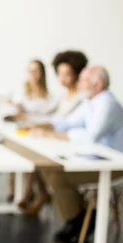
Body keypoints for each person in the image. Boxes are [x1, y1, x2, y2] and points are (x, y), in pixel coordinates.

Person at [31, 66, 123, 243]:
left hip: (117, 167)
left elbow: (90, 136)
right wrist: (43, 125)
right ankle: (81, 216)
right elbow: (68, 123)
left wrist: (52, 134)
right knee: (48, 168)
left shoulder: (107, 104)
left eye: (84, 80)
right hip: (97, 160)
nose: (78, 83)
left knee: (57, 174)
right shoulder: (90, 102)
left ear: (98, 84)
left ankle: (78, 219)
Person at [17, 50, 90, 215]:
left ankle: (42, 197)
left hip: (72, 145)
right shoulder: (65, 96)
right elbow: (53, 116)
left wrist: (42, 127)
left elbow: (63, 123)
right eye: (60, 73)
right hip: (60, 139)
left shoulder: (82, 98)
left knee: (43, 162)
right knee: (34, 155)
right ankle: (39, 195)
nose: (62, 78)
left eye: (67, 74)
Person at [0, 59, 57, 200]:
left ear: (42, 73)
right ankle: (12, 190)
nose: (33, 74)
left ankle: (25, 195)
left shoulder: (49, 96)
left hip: (36, 133)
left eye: (36, 70)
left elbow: (49, 117)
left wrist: (28, 116)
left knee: (32, 161)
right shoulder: (20, 91)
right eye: (30, 70)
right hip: (18, 129)